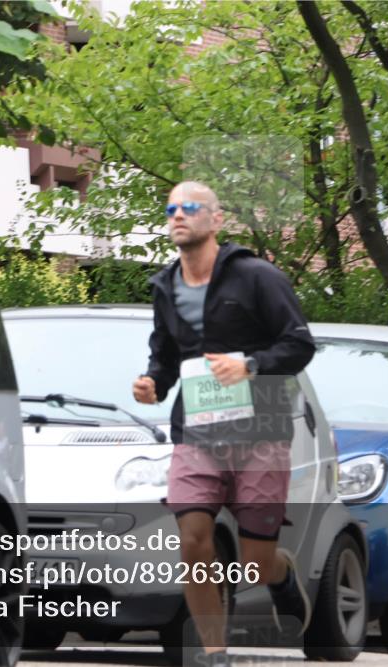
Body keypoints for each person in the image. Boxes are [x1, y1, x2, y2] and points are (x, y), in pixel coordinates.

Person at [132, 181, 315, 666]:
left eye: (190, 208)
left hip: (261, 429)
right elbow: (165, 358)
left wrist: (249, 365)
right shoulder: (165, 287)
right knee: (193, 539)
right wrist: (153, 383)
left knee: (254, 565)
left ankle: (280, 575)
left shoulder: (257, 277)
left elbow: (299, 345)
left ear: (217, 220)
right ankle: (215, 654)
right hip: (197, 431)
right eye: (171, 209)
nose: (178, 215)